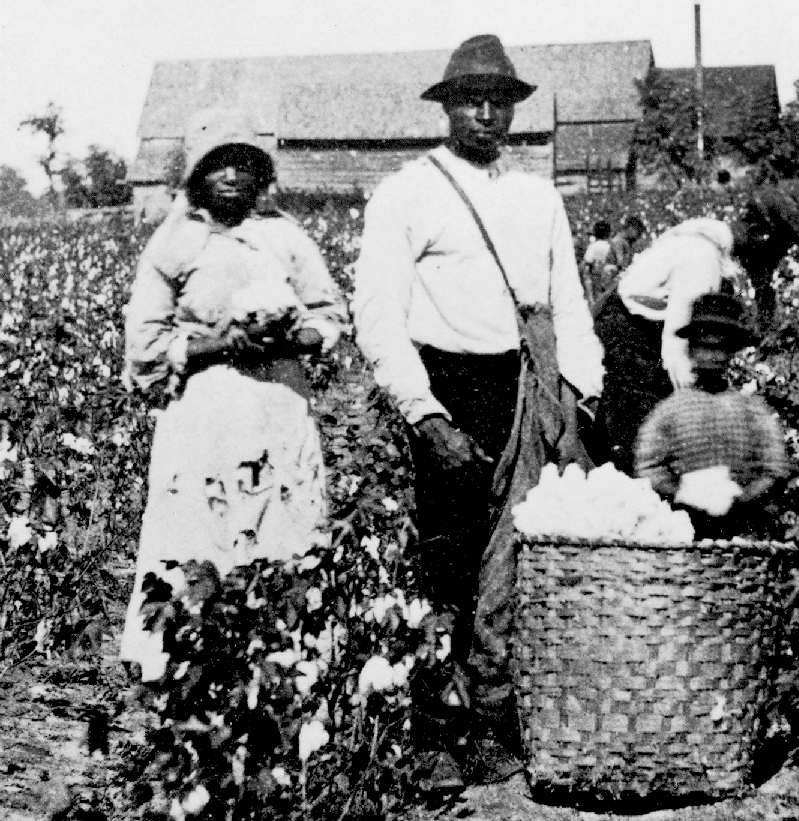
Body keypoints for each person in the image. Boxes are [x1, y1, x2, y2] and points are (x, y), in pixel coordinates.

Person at [351, 34, 602, 784]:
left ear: (515, 109)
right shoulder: (407, 193)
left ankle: (492, 719)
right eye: (471, 100)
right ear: (447, 108)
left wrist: (581, 396)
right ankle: (433, 731)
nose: (487, 114)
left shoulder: (537, 197)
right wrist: (425, 415)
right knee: (446, 563)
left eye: (500, 101)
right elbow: (377, 315)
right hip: (446, 386)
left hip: (522, 386)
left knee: (511, 566)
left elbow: (570, 305)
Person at [120, 107, 347, 680]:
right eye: (217, 166)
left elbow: (330, 312)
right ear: (196, 176)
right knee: (203, 522)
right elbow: (145, 348)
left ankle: (281, 660)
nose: (231, 178)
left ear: (260, 175)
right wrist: (222, 343)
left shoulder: (286, 237)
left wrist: (299, 335)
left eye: (244, 166)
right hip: (206, 411)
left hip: (278, 402)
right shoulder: (173, 244)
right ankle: (188, 661)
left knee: (280, 520)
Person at [596, 191, 799, 473]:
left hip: (636, 335)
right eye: (773, 254)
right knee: (644, 459)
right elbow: (677, 354)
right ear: (759, 235)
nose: (770, 265)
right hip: (632, 344)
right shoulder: (702, 259)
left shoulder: (706, 243)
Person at [634, 293, 789, 539]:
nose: (713, 356)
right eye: (705, 347)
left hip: (742, 526)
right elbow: (648, 466)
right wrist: (680, 495)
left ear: (731, 353)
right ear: (691, 350)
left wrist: (743, 499)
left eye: (721, 348)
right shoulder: (670, 412)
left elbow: (774, 467)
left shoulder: (752, 411)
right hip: (683, 526)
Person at [580, 220, 613, 305]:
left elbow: (586, 263)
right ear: (609, 234)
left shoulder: (593, 246)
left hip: (595, 278)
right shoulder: (611, 247)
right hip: (608, 279)